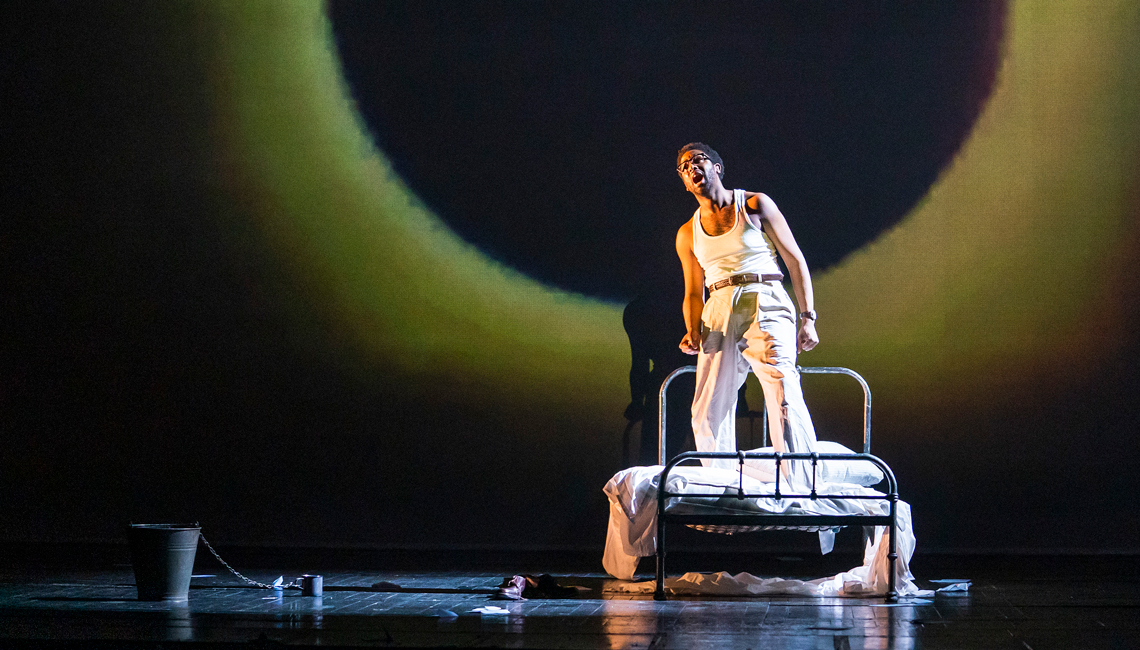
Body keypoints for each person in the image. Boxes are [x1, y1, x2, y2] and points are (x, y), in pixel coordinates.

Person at [674, 142, 820, 486]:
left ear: (717, 168)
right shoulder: (687, 233)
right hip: (719, 304)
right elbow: (693, 291)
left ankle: (799, 485)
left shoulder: (754, 204)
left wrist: (808, 316)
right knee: (707, 406)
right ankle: (722, 485)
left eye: (699, 160)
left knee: (782, 390)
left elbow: (795, 259)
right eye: (684, 167)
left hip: (764, 296)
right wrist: (692, 329)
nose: (692, 168)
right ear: (684, 181)